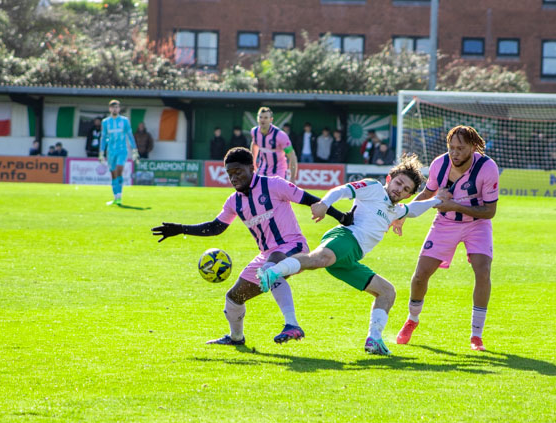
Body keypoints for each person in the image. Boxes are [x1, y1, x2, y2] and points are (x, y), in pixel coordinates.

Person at [151, 147, 353, 345]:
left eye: (238, 172)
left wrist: (341, 217)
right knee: (233, 298)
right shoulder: (234, 202)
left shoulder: (273, 185)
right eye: (230, 174)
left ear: (251, 167)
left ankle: (292, 325)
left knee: (270, 269)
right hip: (267, 254)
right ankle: (236, 338)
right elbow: (216, 227)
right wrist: (180, 229)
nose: (234, 178)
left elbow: (311, 199)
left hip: (293, 246)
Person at [257, 155, 441, 355]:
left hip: (351, 257)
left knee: (387, 292)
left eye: (406, 189)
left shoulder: (396, 210)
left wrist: (438, 200)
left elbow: (413, 210)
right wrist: (325, 204)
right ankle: (271, 272)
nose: (400, 189)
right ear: (389, 179)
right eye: (398, 183)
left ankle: (375, 340)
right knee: (319, 259)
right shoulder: (374, 188)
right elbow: (344, 190)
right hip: (346, 238)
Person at [395, 125, 499, 352]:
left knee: (483, 271)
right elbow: (427, 193)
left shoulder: (488, 168)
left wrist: (454, 204)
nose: (455, 153)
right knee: (420, 275)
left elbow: (489, 212)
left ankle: (476, 335)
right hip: (445, 223)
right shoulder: (438, 164)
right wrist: (403, 214)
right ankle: (412, 319)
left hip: (477, 225)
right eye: (451, 148)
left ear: (473, 147)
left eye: (460, 148)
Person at [99, 100, 139, 206]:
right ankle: (116, 197)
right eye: (113, 107)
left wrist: (134, 150)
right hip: (110, 151)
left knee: (119, 170)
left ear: (119, 108)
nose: (115, 109)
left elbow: (130, 135)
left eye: (116, 107)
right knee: (113, 174)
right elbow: (103, 138)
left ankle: (119, 196)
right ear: (110, 109)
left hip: (122, 150)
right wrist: (101, 152)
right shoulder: (105, 122)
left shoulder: (125, 121)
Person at [250, 107, 299, 182]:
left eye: (266, 117)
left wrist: (292, 178)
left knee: (276, 193)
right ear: (257, 118)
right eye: (260, 117)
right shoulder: (254, 132)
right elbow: (254, 144)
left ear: (271, 120)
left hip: (278, 172)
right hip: (262, 170)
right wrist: (253, 163)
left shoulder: (280, 135)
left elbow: (292, 156)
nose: (262, 120)